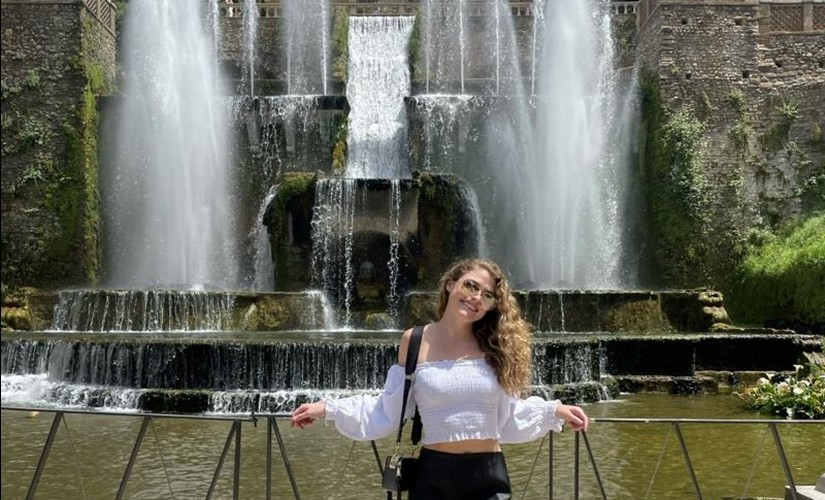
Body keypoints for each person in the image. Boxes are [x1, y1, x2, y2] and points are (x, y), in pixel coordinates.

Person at [291, 258, 590, 499]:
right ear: (450, 284)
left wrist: (554, 411)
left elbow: (508, 415)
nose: (476, 298)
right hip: (434, 476)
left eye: (487, 296)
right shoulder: (415, 340)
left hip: (488, 474)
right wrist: (329, 409)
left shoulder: (497, 346)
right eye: (471, 286)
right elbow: (391, 408)